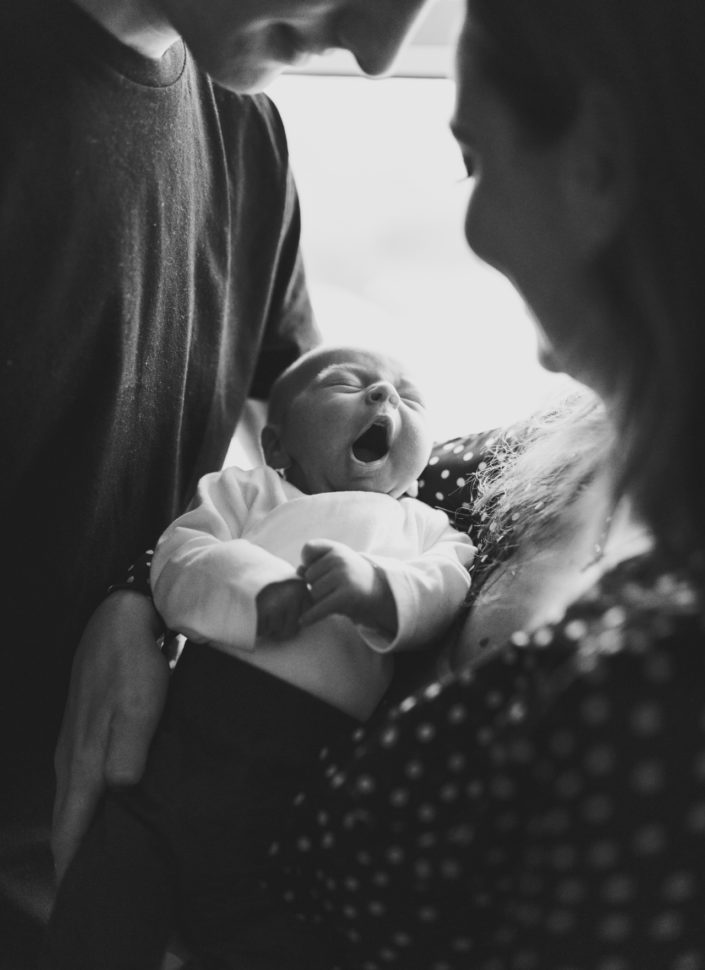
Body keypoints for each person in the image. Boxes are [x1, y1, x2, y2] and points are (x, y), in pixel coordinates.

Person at [0, 0, 479, 961]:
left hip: (109, 877)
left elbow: (332, 469)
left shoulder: (244, 136)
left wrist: (139, 590)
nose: (382, 46)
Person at [266, 0, 705, 966]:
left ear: (596, 162)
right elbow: (341, 509)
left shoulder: (662, 679)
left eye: (475, 155)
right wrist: (142, 602)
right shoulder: (546, 451)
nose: (471, 226)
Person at [48, 344, 474, 969]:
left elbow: (446, 587)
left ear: (417, 473)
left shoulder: (429, 529)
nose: (384, 396)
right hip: (189, 737)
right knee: (107, 884)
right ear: (276, 446)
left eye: (407, 397)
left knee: (268, 930)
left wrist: (378, 592)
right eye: (348, 384)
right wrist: (258, 594)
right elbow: (180, 557)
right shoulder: (249, 492)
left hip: (296, 790)